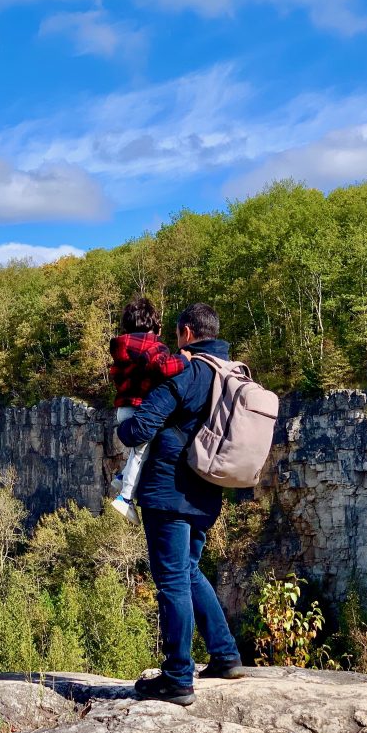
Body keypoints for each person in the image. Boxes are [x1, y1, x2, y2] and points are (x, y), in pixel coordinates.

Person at [117, 302, 244, 706]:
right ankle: (224, 655)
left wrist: (124, 422)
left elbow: (138, 429)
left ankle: (177, 677)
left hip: (168, 492)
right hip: (207, 490)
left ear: (187, 332)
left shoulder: (189, 371)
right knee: (189, 572)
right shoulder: (230, 373)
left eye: (177, 335)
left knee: (172, 581)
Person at [108, 297, 189, 523]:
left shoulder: (121, 345)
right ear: (154, 325)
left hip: (123, 408)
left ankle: (122, 477)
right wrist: (184, 360)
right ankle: (125, 498)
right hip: (140, 409)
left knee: (139, 451)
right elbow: (164, 367)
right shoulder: (153, 346)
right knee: (142, 452)